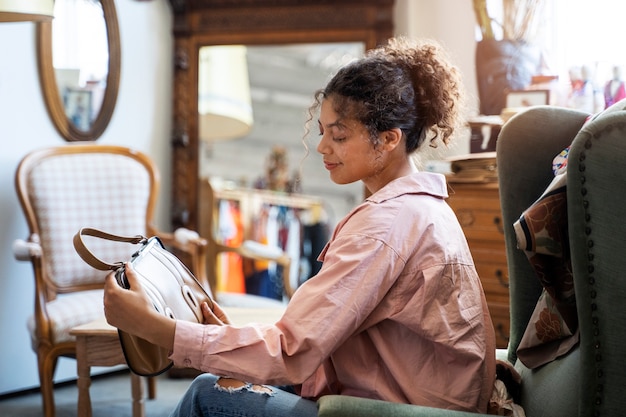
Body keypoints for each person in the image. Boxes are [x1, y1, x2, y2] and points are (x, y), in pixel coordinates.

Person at [103, 36, 496, 416]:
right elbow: (316, 336)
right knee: (231, 373)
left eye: (339, 135)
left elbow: (292, 351)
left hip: (398, 410)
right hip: (407, 398)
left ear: (389, 139)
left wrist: (158, 331)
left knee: (208, 394)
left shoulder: (385, 224)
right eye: (322, 131)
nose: (323, 147)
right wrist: (225, 338)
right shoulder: (422, 209)